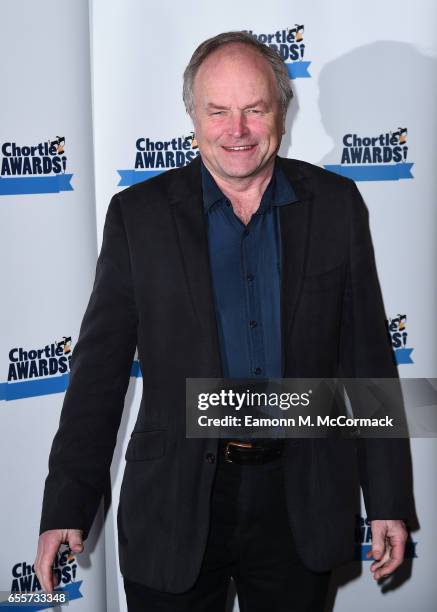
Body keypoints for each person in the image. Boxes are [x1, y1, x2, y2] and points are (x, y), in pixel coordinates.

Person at [35, 32, 416, 611]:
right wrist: (67, 503)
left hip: (300, 501)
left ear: (280, 113)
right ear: (193, 115)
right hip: (175, 504)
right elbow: (98, 374)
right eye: (218, 111)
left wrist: (388, 497)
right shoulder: (139, 218)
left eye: (254, 109)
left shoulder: (337, 206)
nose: (236, 130)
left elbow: (367, 357)